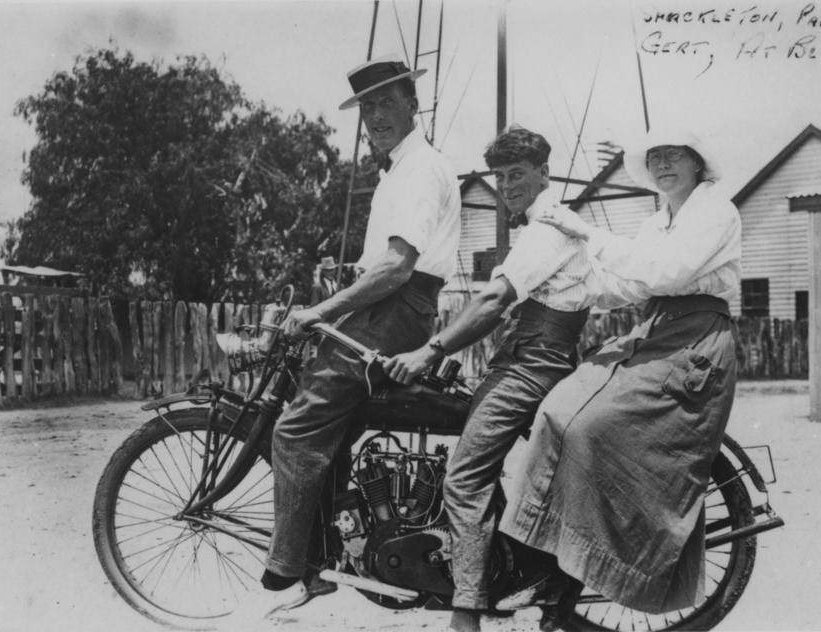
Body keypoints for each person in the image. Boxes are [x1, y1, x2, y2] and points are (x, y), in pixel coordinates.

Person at [233, 54, 461, 624]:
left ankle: (290, 568)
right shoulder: (399, 170)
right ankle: (331, 551)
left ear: (413, 103)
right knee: (327, 426)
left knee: (295, 426)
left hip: (395, 313)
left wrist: (319, 312)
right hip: (388, 307)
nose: (376, 116)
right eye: (367, 107)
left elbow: (396, 266)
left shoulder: (421, 168)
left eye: (387, 102)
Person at [496, 127, 742, 629]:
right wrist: (556, 282)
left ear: (697, 161)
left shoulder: (716, 209)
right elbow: (627, 284)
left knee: (594, 426)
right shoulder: (657, 222)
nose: (663, 165)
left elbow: (668, 273)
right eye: (654, 158)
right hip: (656, 329)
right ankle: (545, 564)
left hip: (695, 344)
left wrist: (587, 232)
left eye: (673, 155)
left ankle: (604, 562)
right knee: (558, 409)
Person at [382, 127, 598, 632]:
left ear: (544, 172)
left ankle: (466, 611)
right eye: (500, 176)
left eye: (517, 173)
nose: (507, 185)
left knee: (464, 475)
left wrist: (428, 350)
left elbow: (495, 301)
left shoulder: (548, 228)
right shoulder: (539, 225)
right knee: (464, 442)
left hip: (532, 365)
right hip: (522, 359)